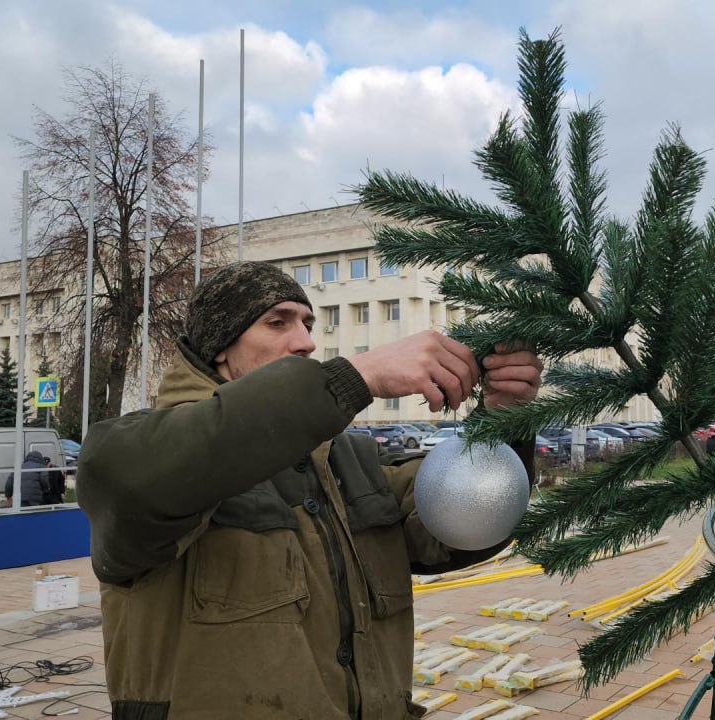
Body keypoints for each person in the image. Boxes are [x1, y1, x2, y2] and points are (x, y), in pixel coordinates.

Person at [76, 261, 544, 720]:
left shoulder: (350, 461)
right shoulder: (137, 452)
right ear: (220, 347)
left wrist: (502, 423)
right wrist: (353, 378)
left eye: (307, 324)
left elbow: (457, 528)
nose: (305, 342)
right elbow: (147, 478)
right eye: (276, 323)